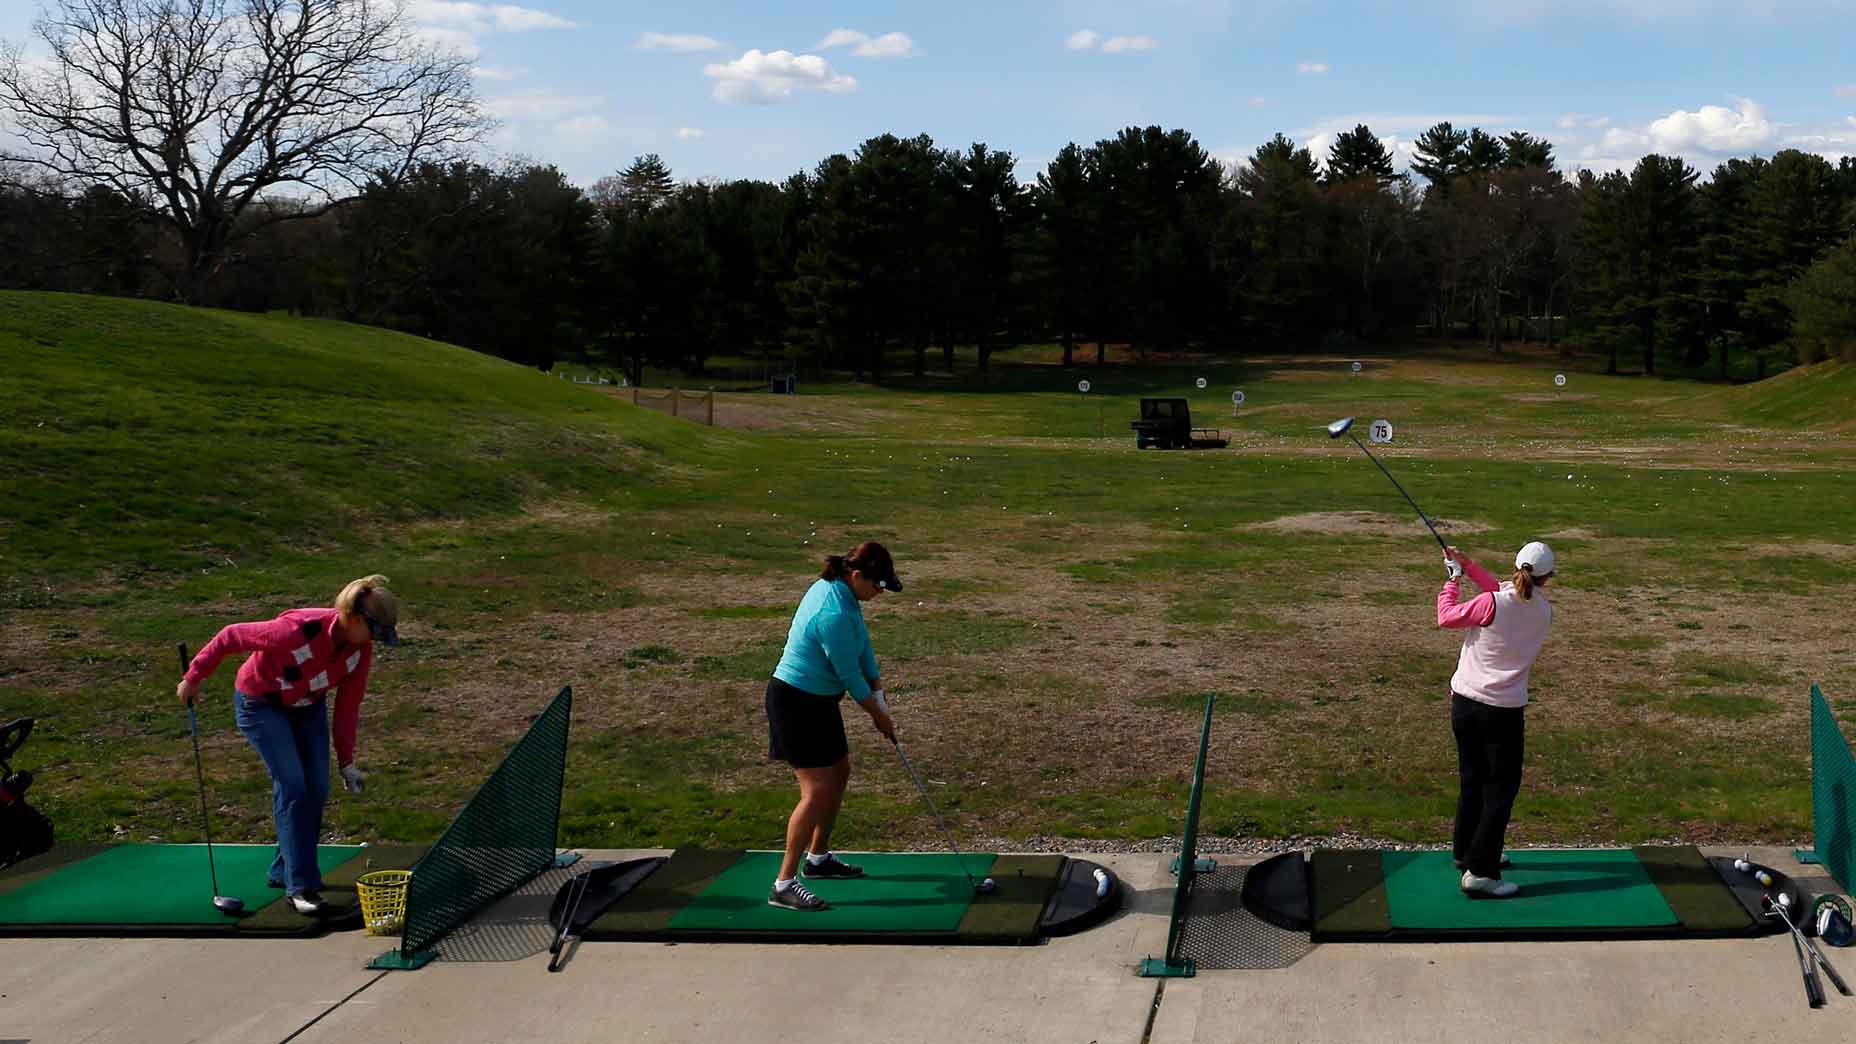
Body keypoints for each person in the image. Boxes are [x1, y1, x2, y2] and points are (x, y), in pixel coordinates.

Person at [177, 575, 399, 914]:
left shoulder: (359, 651)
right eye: (375, 631)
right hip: (261, 704)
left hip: (307, 707)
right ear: (354, 619)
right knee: (293, 786)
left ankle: (283, 868)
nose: (376, 642)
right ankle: (300, 887)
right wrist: (193, 678)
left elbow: (348, 707)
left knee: (317, 788)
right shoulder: (295, 631)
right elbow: (230, 636)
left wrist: (346, 761)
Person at [764, 542, 901, 911]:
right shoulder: (831, 609)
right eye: (878, 586)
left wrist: (879, 688)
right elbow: (848, 674)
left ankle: (818, 859)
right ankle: (783, 883)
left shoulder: (845, 595)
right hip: (794, 703)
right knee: (816, 791)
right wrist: (878, 714)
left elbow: (862, 648)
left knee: (839, 772)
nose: (879, 594)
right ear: (857, 576)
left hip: (819, 701)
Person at [1437, 542, 1554, 899]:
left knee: (1473, 779)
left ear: (1516, 566)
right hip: (1501, 712)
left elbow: (1447, 615)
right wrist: (1467, 565)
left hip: (1465, 705)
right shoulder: (1542, 610)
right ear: (1548, 578)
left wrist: (1453, 580)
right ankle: (1481, 871)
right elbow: (1498, 591)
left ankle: (1467, 852)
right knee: (1499, 790)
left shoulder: (1494, 601)